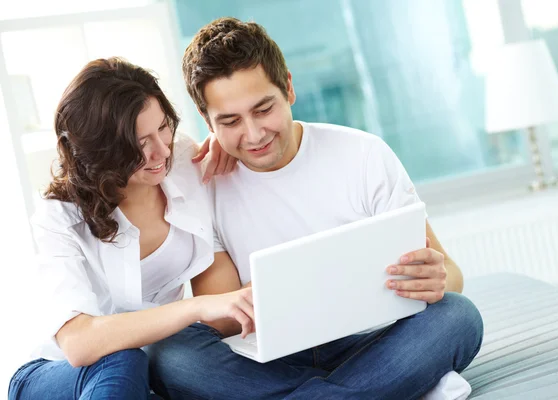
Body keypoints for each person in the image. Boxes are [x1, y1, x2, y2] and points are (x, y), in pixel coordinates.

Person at [147, 17, 484, 400]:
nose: (254, 134)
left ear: (288, 88)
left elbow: (450, 275)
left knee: (458, 316)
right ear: (207, 120)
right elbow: (225, 320)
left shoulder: (363, 155)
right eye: (230, 121)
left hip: (371, 340)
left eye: (263, 109)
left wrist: (437, 281)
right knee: (170, 356)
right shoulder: (205, 185)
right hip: (268, 360)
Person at [7, 57, 251, 400]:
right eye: (139, 143)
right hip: (60, 372)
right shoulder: (59, 216)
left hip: (157, 353)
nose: (161, 151)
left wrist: (224, 141)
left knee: (185, 358)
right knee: (122, 360)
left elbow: (219, 317)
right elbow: (78, 344)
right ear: (100, 150)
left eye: (164, 127)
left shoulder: (181, 162)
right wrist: (195, 308)